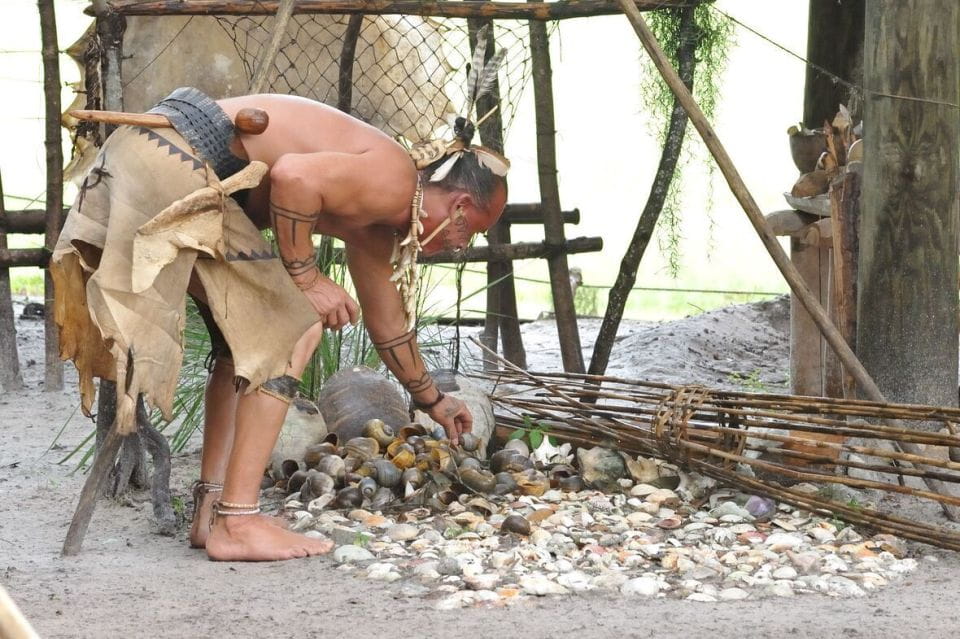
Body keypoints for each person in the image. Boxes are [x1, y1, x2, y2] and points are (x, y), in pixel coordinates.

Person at [51, 87, 508, 561]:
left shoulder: (379, 224)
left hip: (146, 157)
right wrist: (306, 278)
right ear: (458, 204)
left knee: (242, 343)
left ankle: (211, 510)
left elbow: (388, 325)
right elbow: (294, 175)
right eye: (469, 229)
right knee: (293, 325)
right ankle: (240, 522)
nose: (461, 244)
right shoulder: (396, 177)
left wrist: (433, 399)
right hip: (174, 160)